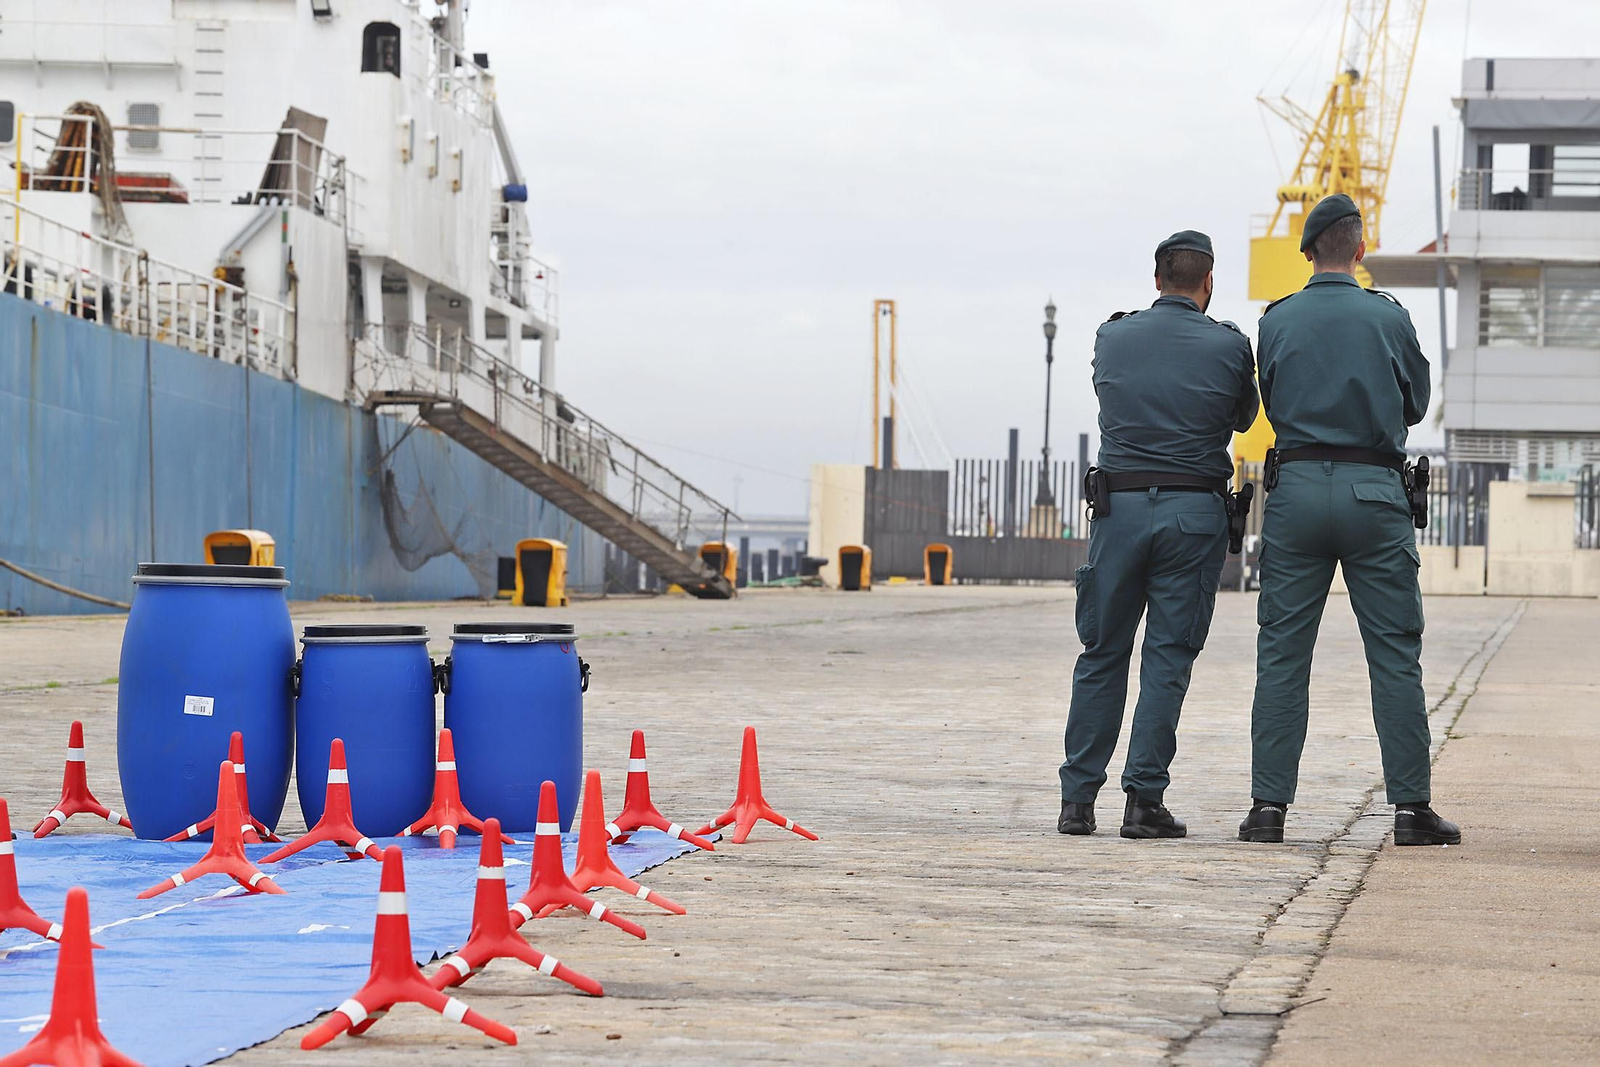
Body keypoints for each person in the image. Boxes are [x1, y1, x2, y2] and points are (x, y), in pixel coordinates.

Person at [1237, 193, 1459, 847]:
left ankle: (1268, 810)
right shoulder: (1388, 317)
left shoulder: (1275, 320)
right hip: (1373, 490)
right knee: (1394, 653)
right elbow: (1416, 402)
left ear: (1308, 255)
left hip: (1298, 488)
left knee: (1281, 654)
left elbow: (1271, 404)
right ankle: (1411, 809)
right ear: (1360, 251)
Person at [1058, 230, 1259, 839]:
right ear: (1208, 284)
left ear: (1155, 280)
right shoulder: (1228, 345)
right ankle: (1144, 801)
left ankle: (1077, 801)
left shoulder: (1112, 336)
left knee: (1101, 653)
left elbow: (1107, 394)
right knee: (1167, 658)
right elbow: (1245, 417)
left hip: (1118, 511)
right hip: (1192, 513)